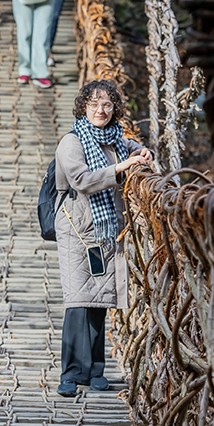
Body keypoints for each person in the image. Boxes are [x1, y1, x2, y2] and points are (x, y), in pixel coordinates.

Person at [52, 79, 152, 397]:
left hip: (106, 229)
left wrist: (141, 151)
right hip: (79, 231)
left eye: (107, 104)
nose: (101, 110)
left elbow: (128, 146)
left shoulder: (114, 140)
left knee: (99, 300)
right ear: (83, 106)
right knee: (78, 301)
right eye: (94, 104)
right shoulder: (72, 141)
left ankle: (95, 370)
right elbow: (81, 180)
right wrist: (121, 168)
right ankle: (70, 372)